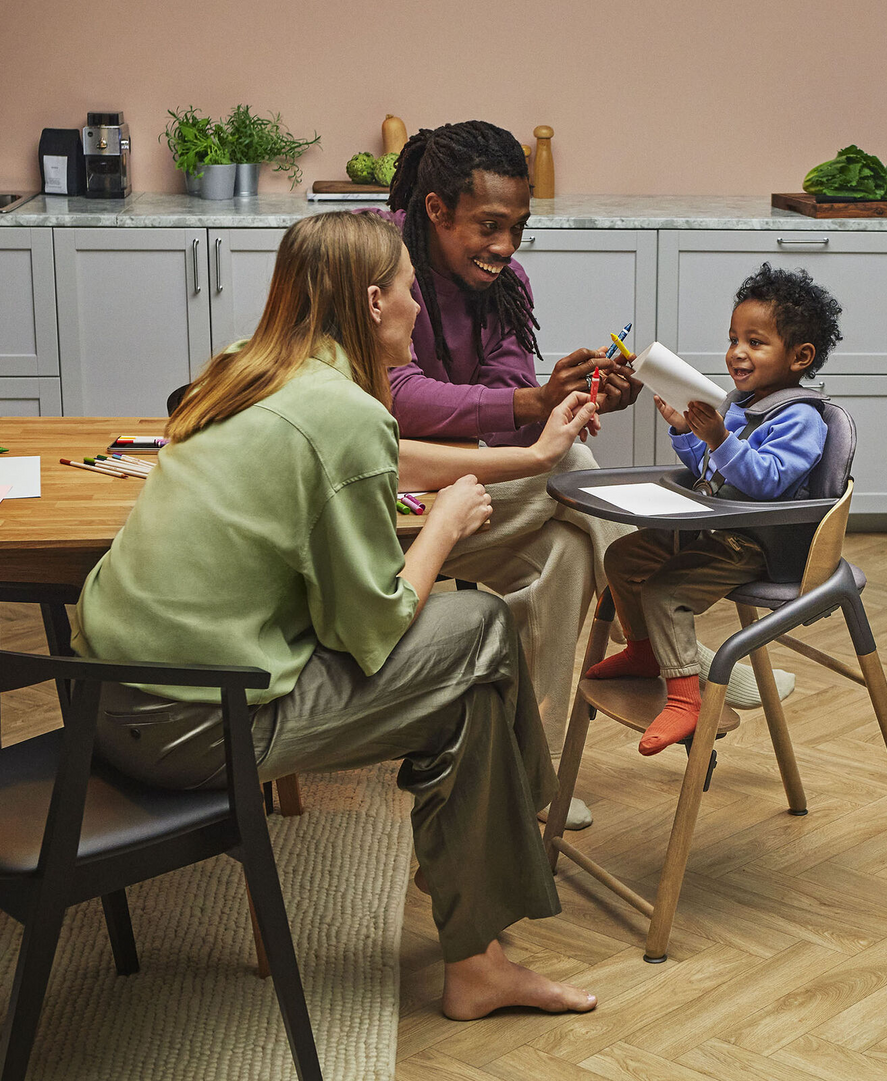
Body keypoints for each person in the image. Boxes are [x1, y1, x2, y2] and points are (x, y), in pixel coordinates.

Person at [71, 211, 598, 1019]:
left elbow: (378, 451)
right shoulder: (343, 413)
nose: (420, 310)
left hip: (102, 703)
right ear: (374, 299)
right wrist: (448, 526)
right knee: (482, 633)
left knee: (469, 693)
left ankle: (479, 942)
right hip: (196, 728)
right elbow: (376, 628)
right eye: (412, 292)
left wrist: (531, 457)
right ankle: (496, 853)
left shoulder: (239, 372)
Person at [371, 120, 790, 825]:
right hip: (386, 499)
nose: (505, 246)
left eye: (519, 226)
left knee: (567, 547)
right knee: (569, 464)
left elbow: (510, 405)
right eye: (488, 226)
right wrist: (531, 407)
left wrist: (565, 398)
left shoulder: (504, 283)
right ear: (436, 210)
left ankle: (531, 775)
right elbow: (398, 396)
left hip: (467, 493)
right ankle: (664, 636)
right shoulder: (378, 260)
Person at [585, 264, 842, 755]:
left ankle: (685, 699)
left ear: (799, 356)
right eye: (733, 339)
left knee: (665, 593)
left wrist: (720, 436)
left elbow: (765, 482)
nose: (737, 353)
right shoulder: (743, 404)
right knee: (623, 559)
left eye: (755, 342)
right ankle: (641, 652)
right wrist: (688, 431)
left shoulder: (801, 418)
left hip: (756, 543)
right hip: (714, 527)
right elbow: (715, 471)